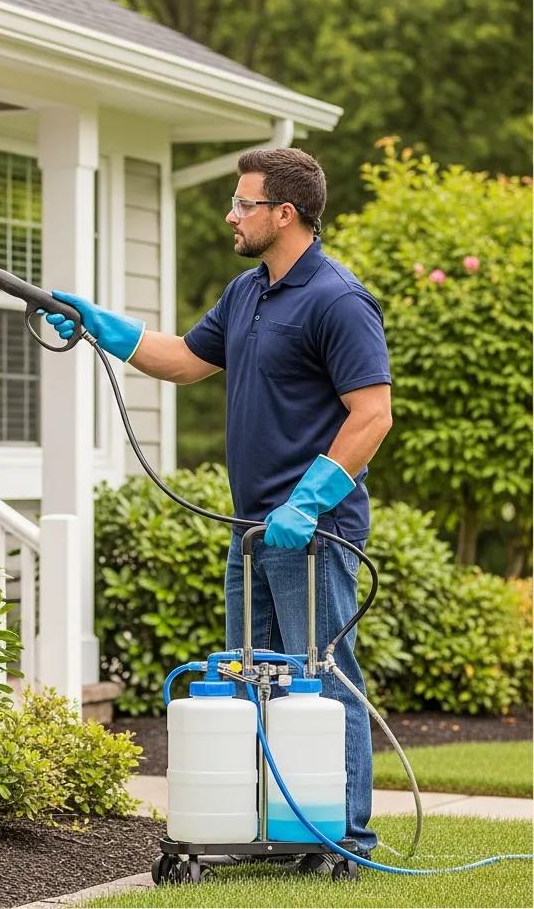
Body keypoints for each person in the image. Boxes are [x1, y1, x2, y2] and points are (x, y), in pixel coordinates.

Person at [45, 147, 392, 871]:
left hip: (313, 531)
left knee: (322, 680)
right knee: (253, 676)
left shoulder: (338, 299)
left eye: (243, 203)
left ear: (284, 213)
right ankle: (276, 827)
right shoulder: (248, 292)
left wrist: (310, 500)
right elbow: (185, 359)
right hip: (251, 528)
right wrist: (100, 325)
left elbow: (372, 415)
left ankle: (346, 841)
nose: (230, 214)